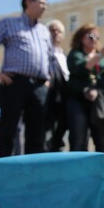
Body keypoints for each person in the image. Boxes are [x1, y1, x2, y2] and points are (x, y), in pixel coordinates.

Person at [0, 0, 54, 157]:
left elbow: (50, 57)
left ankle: (33, 172)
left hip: (39, 86)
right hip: (14, 83)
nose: (45, 7)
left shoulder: (44, 31)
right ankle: (3, 173)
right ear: (28, 2)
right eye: (42, 3)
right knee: (8, 130)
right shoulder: (9, 24)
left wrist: (48, 79)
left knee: (37, 133)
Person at [65, 23, 104, 151]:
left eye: (97, 37)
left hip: (99, 103)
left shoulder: (102, 56)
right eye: (91, 36)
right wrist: (101, 55)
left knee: (102, 141)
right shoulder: (76, 54)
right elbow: (84, 67)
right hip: (78, 100)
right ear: (81, 37)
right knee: (79, 140)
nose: (94, 40)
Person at [45, 19, 69, 152]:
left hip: (63, 99)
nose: (55, 33)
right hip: (48, 98)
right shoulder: (44, 52)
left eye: (58, 31)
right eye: (52, 30)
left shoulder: (64, 56)